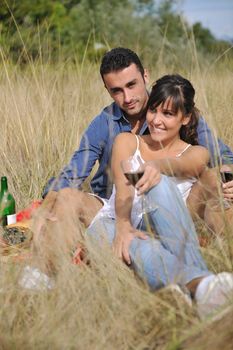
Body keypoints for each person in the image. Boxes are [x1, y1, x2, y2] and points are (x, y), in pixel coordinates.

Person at [83, 74, 233, 319]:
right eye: (153, 111)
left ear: (185, 118)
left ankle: (197, 288)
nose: (156, 121)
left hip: (168, 231)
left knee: (159, 186)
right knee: (135, 242)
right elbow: (123, 186)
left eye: (168, 114)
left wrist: (157, 166)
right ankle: (205, 285)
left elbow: (184, 165)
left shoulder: (197, 152)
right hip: (116, 223)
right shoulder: (127, 141)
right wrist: (123, 225)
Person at [37, 47, 233, 232]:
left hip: (174, 206)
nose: (127, 97)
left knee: (220, 184)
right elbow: (73, 174)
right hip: (115, 206)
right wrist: (47, 205)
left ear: (145, 76)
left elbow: (222, 155)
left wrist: (228, 178)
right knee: (63, 200)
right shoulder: (103, 123)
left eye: (131, 85)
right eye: (117, 90)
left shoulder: (172, 110)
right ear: (107, 90)